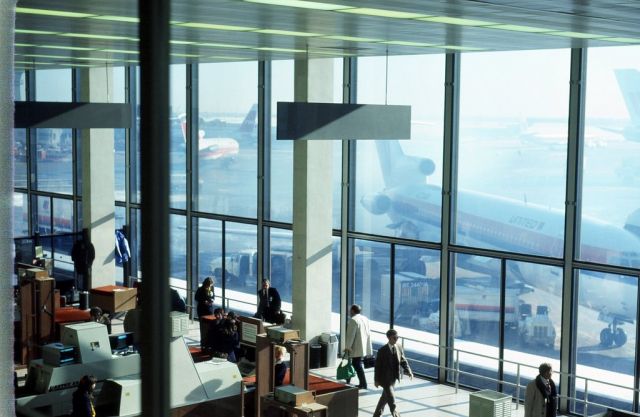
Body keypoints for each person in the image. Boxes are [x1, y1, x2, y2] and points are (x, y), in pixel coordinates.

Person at [373, 329, 413, 417]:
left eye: (397, 337)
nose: (396, 339)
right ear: (389, 338)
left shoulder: (398, 346)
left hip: (394, 378)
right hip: (385, 380)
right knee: (392, 400)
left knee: (384, 398)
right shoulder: (382, 351)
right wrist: (376, 380)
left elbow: (403, 360)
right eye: (394, 338)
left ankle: (376, 415)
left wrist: (409, 371)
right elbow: (377, 367)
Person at [344, 304, 372, 389]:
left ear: (352, 311)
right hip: (363, 345)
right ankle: (351, 380)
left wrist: (347, 347)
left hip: (355, 346)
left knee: (356, 364)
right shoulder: (365, 319)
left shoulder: (353, 320)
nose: (349, 312)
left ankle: (363, 383)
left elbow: (350, 335)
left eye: (350, 310)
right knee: (356, 363)